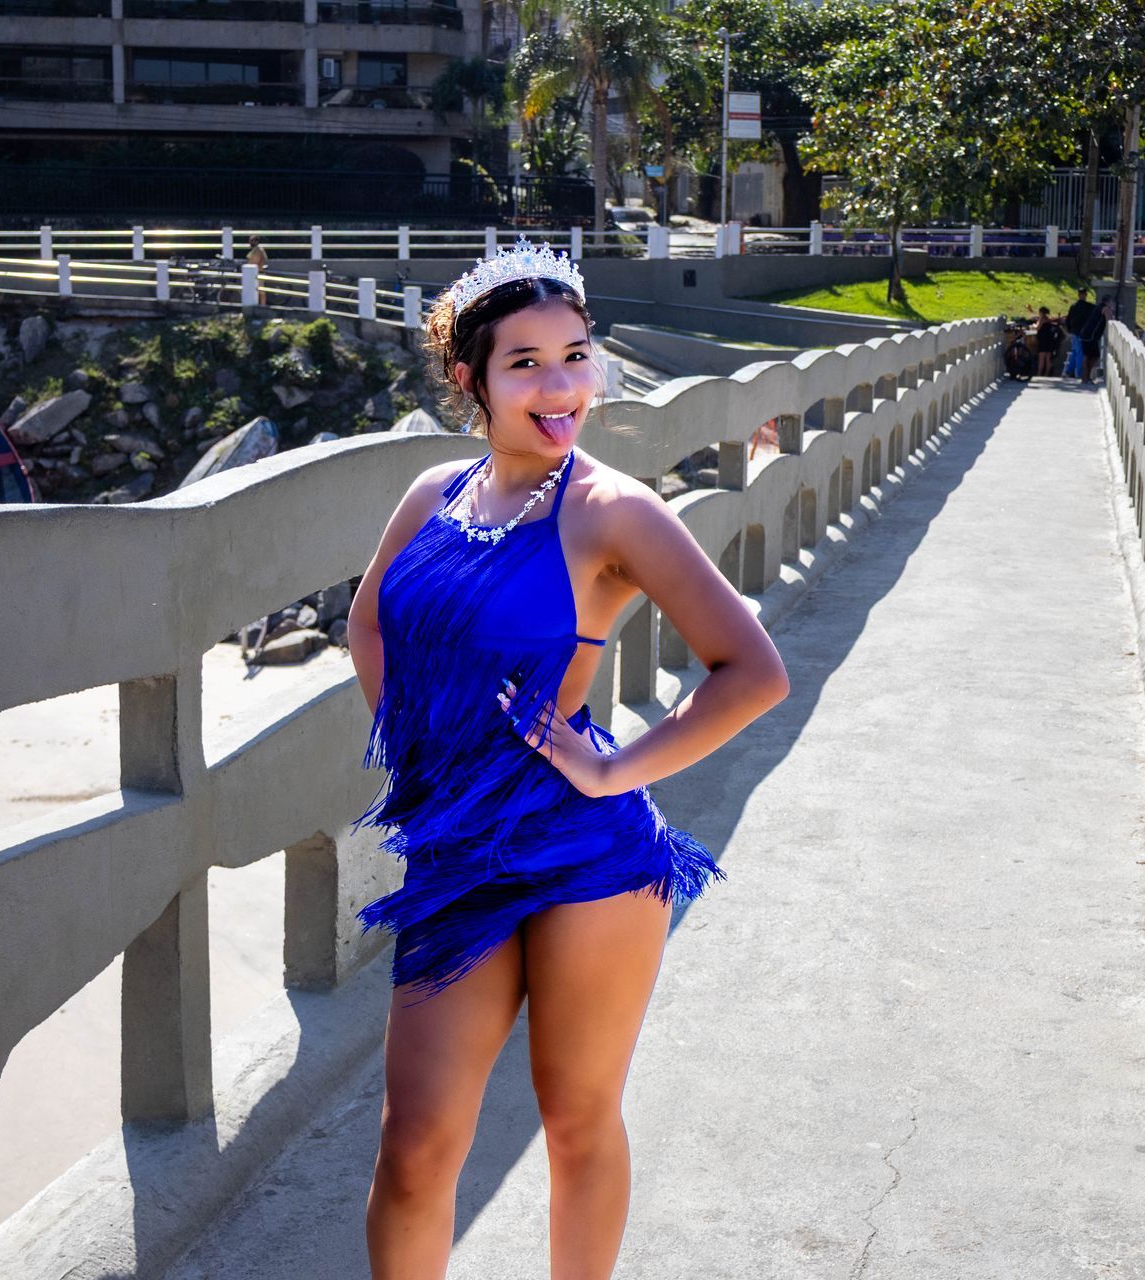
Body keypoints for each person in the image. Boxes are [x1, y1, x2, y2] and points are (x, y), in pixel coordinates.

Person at [346, 238, 789, 1279]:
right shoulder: (433, 494)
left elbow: (753, 671)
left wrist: (611, 770)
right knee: (414, 1150)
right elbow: (368, 624)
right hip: (456, 853)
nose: (561, 387)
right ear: (471, 377)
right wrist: (420, 750)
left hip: (586, 855)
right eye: (527, 363)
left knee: (577, 1117)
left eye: (577, 356)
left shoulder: (613, 511)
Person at [1078, 296, 1114, 385]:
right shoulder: (1105, 308)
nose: (1113, 304)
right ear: (1108, 302)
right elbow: (1110, 322)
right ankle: (1085, 379)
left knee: (1093, 356)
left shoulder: (1098, 307)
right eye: (1112, 302)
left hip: (1087, 335)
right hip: (1091, 336)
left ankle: (1086, 378)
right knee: (1088, 356)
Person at [1063, 288, 1095, 379]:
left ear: (1078, 294)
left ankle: (1068, 371)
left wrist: (1069, 330)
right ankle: (1079, 373)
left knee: (1074, 351)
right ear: (1085, 295)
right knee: (1080, 352)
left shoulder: (1073, 306)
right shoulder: (1089, 307)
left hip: (1074, 332)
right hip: (1083, 333)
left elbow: (1068, 319)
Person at [1033, 305, 1063, 377]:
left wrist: (1033, 325)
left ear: (1041, 312)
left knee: (1041, 359)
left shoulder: (1042, 319)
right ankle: (1046, 374)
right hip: (1050, 340)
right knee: (1048, 359)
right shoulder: (1047, 318)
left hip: (1043, 340)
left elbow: (1037, 328)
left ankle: (1039, 374)